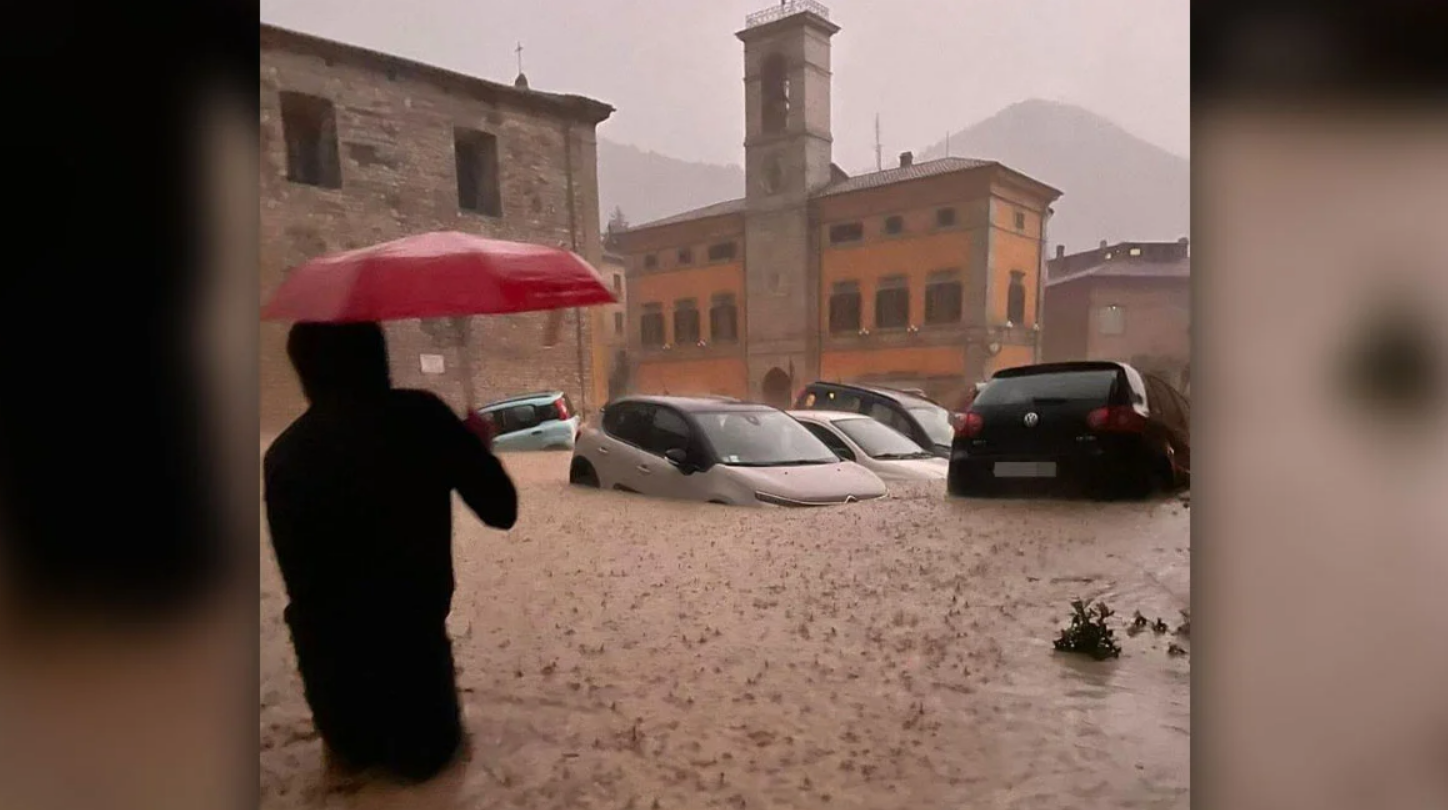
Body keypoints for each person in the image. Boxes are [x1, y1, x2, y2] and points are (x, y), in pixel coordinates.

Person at [263, 322, 517, 782]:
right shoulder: (422, 419)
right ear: (378, 358)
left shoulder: (284, 454)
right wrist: (476, 450)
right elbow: (501, 509)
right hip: (419, 692)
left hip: (336, 704)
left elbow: (301, 583)